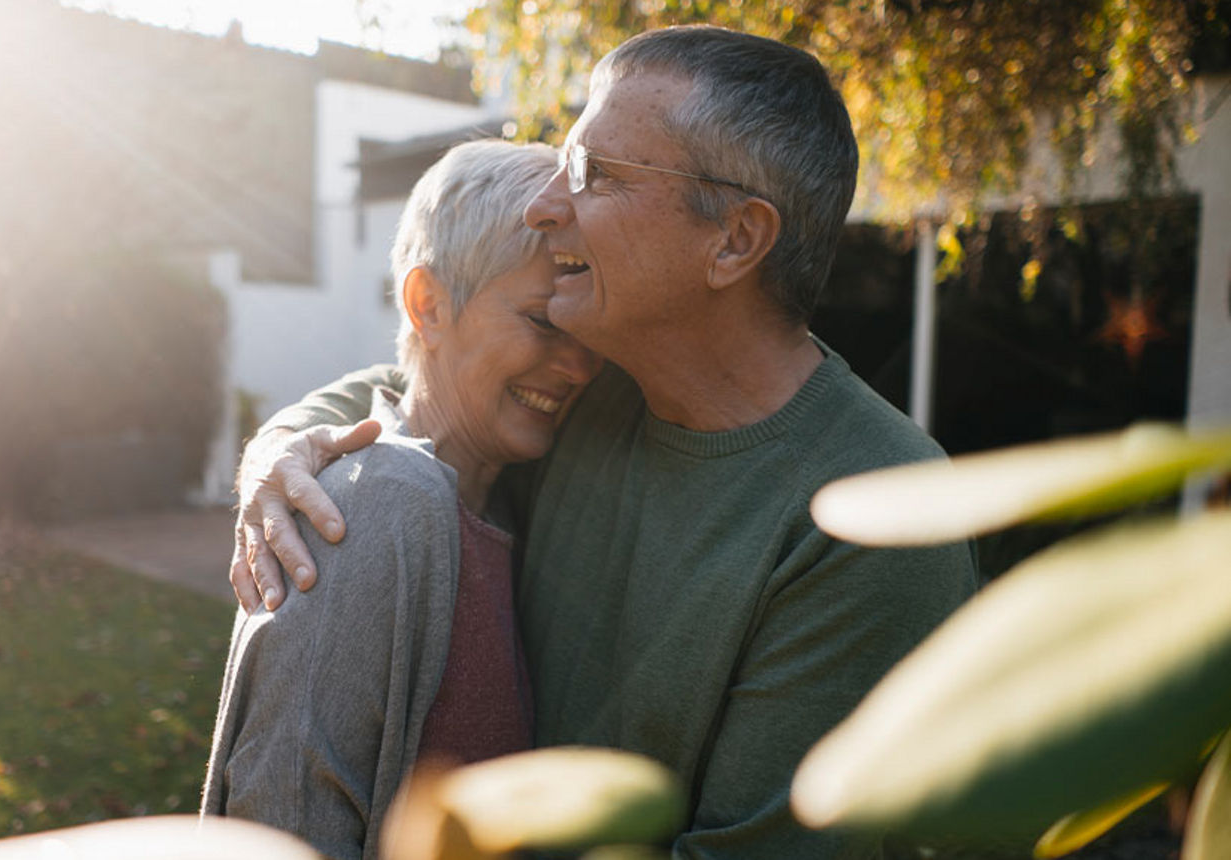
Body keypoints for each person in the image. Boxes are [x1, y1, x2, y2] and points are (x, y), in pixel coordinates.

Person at [233, 26, 977, 858]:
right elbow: (429, 382)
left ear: (733, 239)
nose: (547, 206)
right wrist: (284, 447)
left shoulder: (879, 519)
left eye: (594, 174)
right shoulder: (592, 390)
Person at [200, 140, 602, 860]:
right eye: (543, 323)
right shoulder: (375, 504)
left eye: (583, 332)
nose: (578, 366)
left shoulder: (498, 501)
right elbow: (281, 820)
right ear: (428, 305)